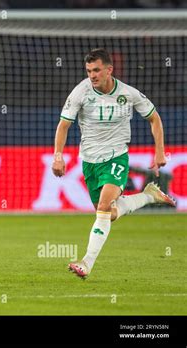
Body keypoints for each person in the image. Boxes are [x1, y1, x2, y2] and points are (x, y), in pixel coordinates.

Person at [52, 48, 175, 279]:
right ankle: (149, 196)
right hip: (89, 161)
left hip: (116, 156)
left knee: (103, 208)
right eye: (89, 71)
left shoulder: (128, 94)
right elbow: (64, 124)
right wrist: (58, 155)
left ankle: (86, 263)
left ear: (109, 70)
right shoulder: (81, 92)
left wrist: (160, 151)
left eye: (97, 70)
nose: (92, 75)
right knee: (110, 213)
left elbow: (154, 117)